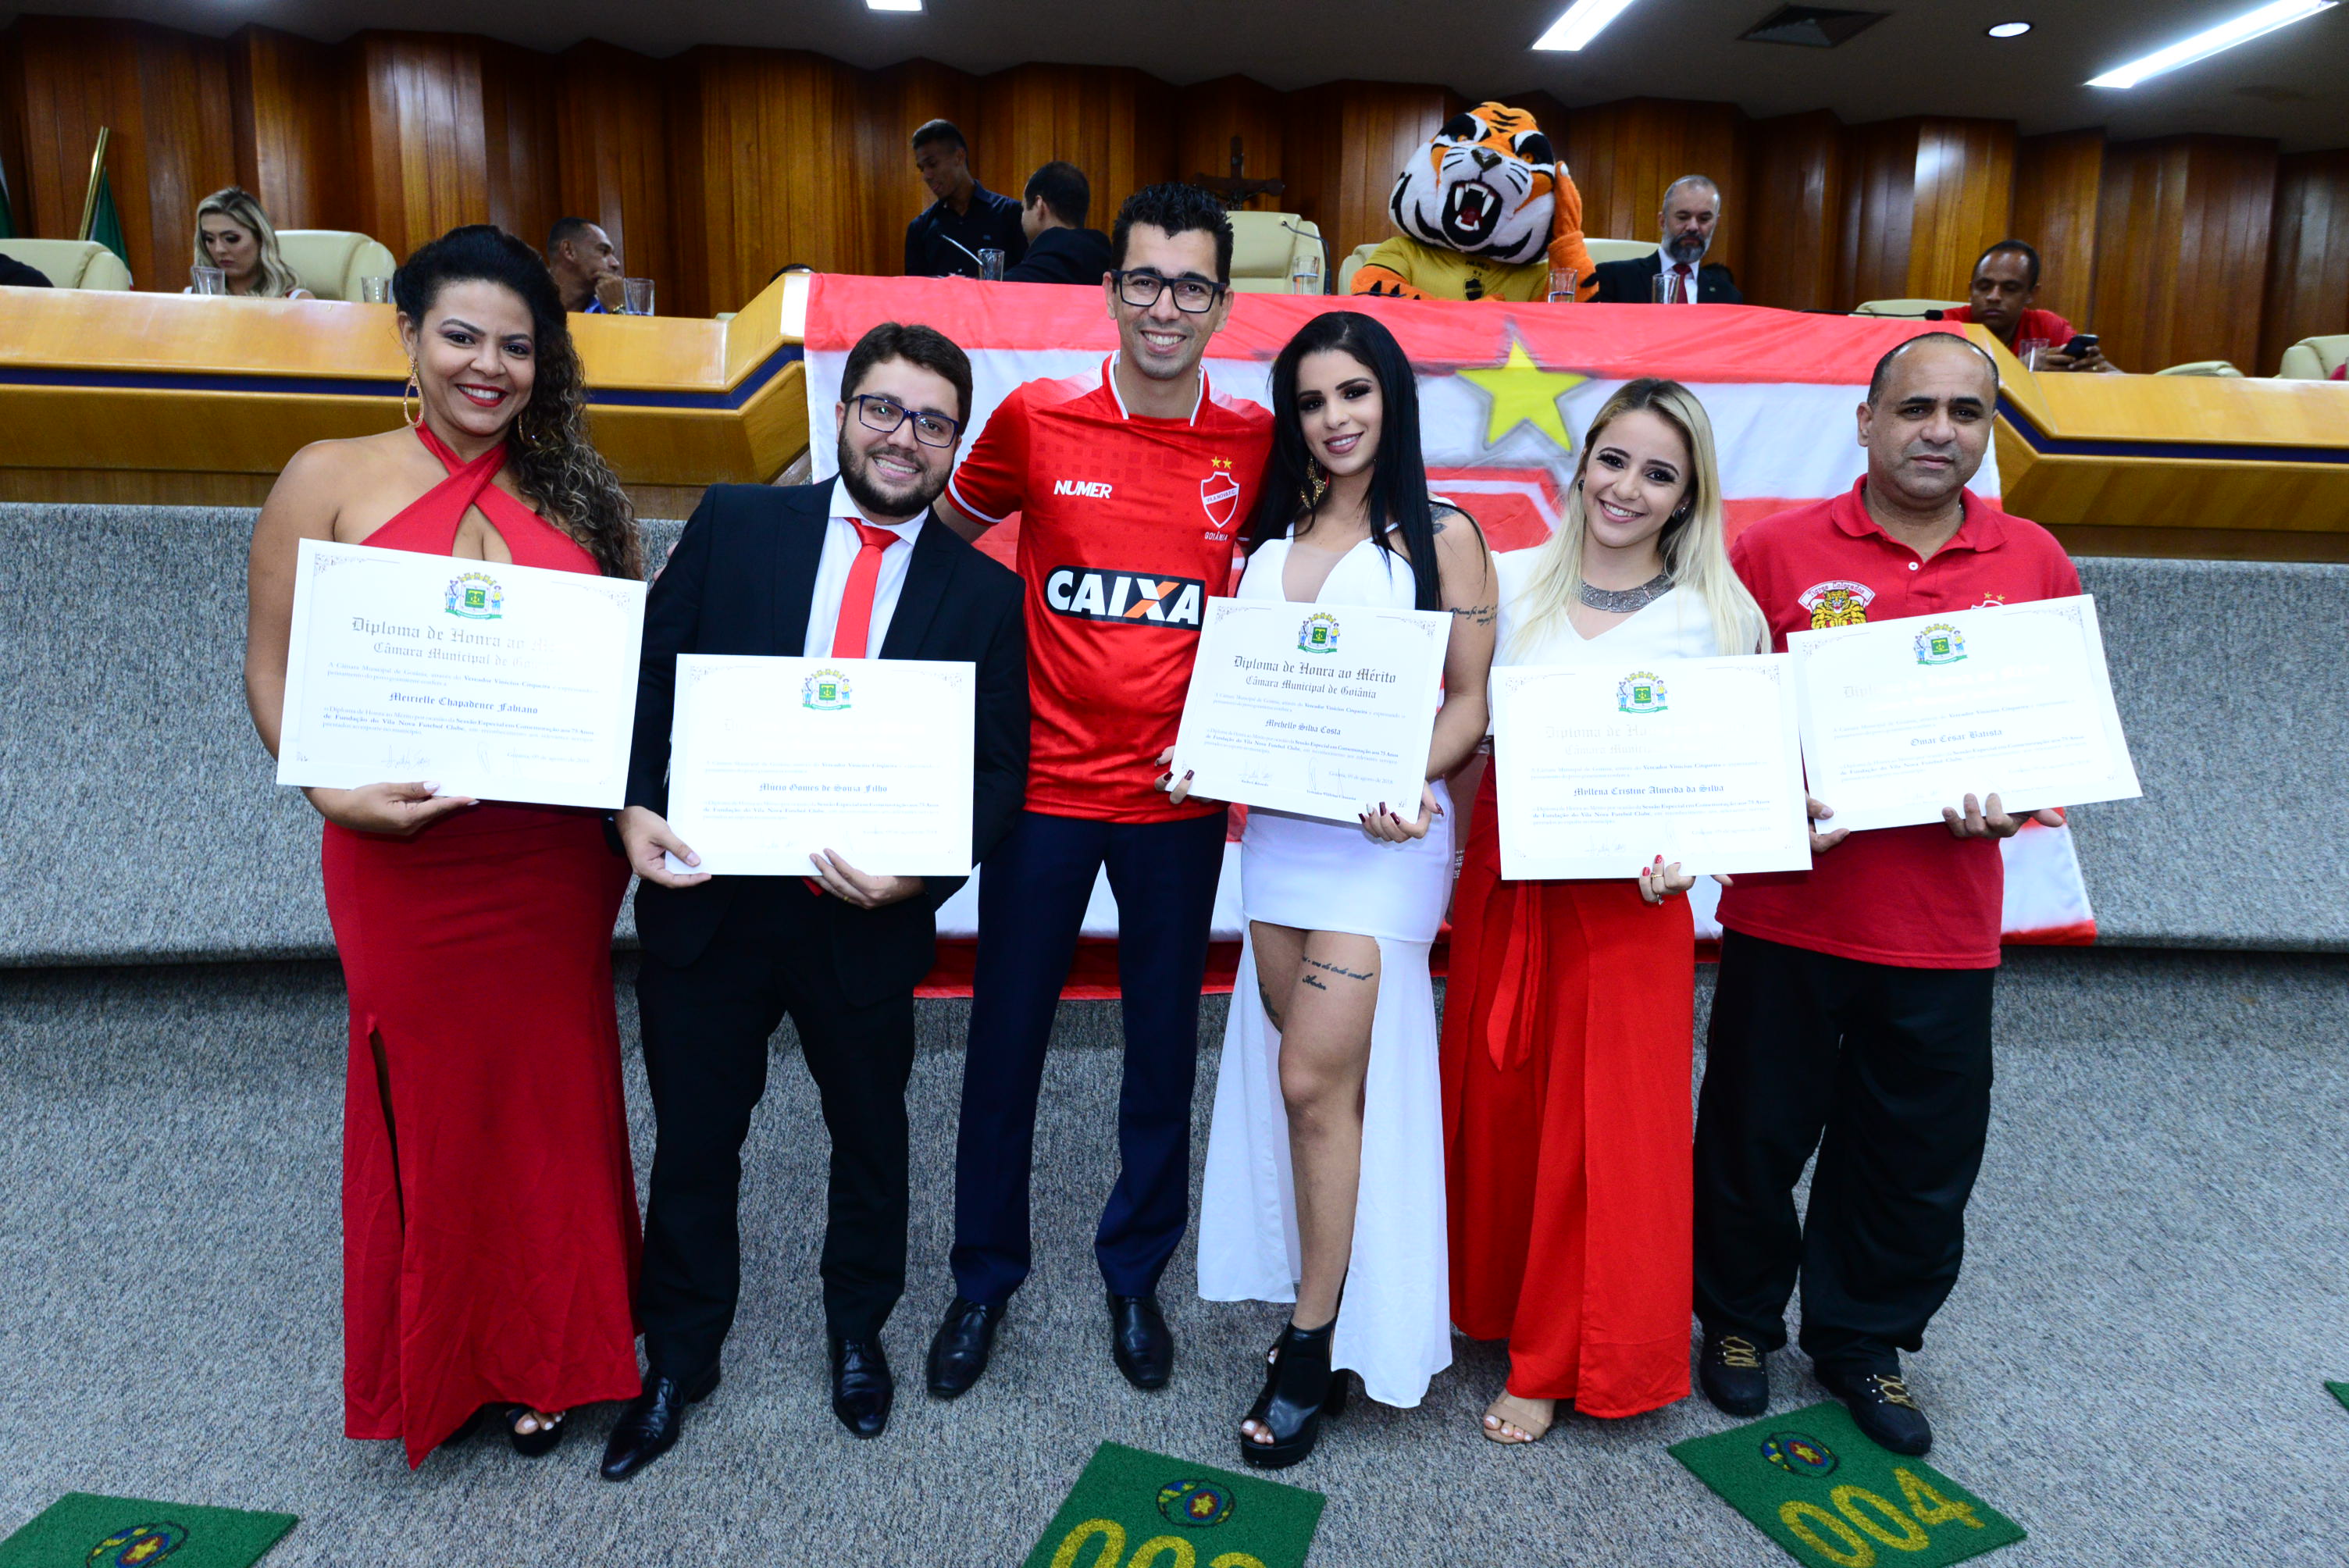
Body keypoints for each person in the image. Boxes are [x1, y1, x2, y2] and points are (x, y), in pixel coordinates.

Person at [241, 223, 644, 1466]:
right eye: (462, 337)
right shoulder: (328, 475)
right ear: (408, 334)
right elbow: (272, 669)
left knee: (548, 1090)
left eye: (516, 347)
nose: (488, 367)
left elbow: (621, 686)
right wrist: (328, 792)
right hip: (398, 857)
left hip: (551, 861)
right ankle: (444, 1356)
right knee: (427, 1091)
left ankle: (549, 1350)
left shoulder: (583, 493)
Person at [597, 323, 1028, 1475]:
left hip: (865, 919)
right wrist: (631, 808)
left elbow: (999, 772)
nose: (903, 438)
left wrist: (923, 871)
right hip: (711, 903)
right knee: (695, 1144)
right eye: (883, 409)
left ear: (955, 445)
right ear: (841, 413)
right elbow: (649, 675)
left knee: (871, 1143)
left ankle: (857, 1334)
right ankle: (679, 1358)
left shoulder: (985, 596)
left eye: (933, 423)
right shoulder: (739, 524)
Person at [1692, 330, 2082, 1457]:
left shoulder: (2033, 560)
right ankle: (1737, 1323)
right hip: (1791, 913)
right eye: (1915, 409)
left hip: (1942, 930)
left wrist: (2019, 798)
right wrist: (1771, 791)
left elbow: (2053, 740)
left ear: (1988, 431)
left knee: (1912, 1157)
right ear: (1865, 422)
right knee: (1752, 1136)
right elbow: (1720, 720)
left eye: (1965, 413)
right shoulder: (1772, 552)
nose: (1939, 432)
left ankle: (1862, 1340)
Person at [925, 182, 1273, 1399]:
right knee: (1005, 1044)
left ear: (1221, 306)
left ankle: (1135, 1276)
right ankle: (982, 1279)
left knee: (1161, 1052)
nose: (1166, 307)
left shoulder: (1255, 444)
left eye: (1192, 286)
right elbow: (936, 552)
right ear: (1112, 291)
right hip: (1045, 795)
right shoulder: (1035, 418)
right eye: (1146, 281)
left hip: (1179, 805)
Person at [1440, 379, 1765, 1447]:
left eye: (1659, 474)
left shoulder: (1720, 617)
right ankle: (1496, 1306)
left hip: (1634, 905)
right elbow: (1458, 726)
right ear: (1580, 464)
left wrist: (1696, 854)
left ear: (1688, 497)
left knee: (1606, 1132)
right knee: (1500, 1106)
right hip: (1508, 887)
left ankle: (1560, 1358)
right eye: (1613, 460)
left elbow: (1732, 782)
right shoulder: (1505, 579)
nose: (1627, 488)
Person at [1196, 311, 1496, 1468]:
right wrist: (1203, 752)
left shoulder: (1445, 534)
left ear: (1393, 399)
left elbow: (1467, 700)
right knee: (1325, 1093)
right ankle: (1357, 1295)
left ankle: (1310, 1341)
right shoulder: (1270, 532)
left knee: (1308, 1078)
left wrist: (1406, 778)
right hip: (1281, 839)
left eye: (1355, 393)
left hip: (1383, 847)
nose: (1334, 418)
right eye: (1313, 400)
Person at [1941, 241, 2119, 372]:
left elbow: (2118, 379)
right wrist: (2018, 370)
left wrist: (2096, 367)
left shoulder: (2048, 326)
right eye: (1984, 287)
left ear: (2031, 294)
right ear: (1971, 290)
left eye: (2010, 289)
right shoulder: (1946, 324)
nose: (1994, 297)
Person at [904, 119, 1027, 279]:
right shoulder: (920, 228)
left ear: (959, 157)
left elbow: (1028, 277)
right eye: (922, 169)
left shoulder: (1011, 214)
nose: (926, 176)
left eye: (932, 164)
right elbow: (914, 288)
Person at [1591, 176, 1742, 305]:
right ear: (1662, 221)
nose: (1693, 227)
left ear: (1715, 223)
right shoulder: (1614, 278)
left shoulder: (1728, 295)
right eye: (1683, 217)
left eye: (1704, 219)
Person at [1003, 161, 1112, 286]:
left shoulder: (1014, 284)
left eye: (1024, 209)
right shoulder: (1114, 275)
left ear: (1039, 205)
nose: (1022, 217)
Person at [191, 186, 312, 298]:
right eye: (209, 239)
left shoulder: (296, 301)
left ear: (261, 239)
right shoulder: (190, 298)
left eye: (231, 239)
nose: (219, 249)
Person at [547, 217, 626, 314]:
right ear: (569, 251)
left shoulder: (613, 305)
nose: (616, 264)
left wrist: (618, 309)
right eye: (604, 251)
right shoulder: (531, 306)